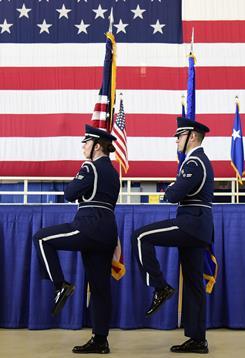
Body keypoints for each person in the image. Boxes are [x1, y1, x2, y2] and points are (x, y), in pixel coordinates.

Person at [33, 125, 119, 354]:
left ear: (97, 146)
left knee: (41, 238)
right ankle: (100, 340)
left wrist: (77, 187)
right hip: (108, 232)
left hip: (88, 226)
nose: (83, 146)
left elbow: (69, 193)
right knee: (101, 288)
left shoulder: (89, 167)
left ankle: (61, 285)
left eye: (86, 142)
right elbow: (110, 206)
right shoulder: (114, 172)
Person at [132, 117, 213, 354]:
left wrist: (171, 189)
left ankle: (160, 287)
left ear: (193, 137)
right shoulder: (197, 161)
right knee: (194, 283)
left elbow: (174, 194)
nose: (176, 139)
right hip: (199, 225)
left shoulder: (194, 163)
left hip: (191, 223)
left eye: (180, 135)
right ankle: (198, 339)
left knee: (140, 236)